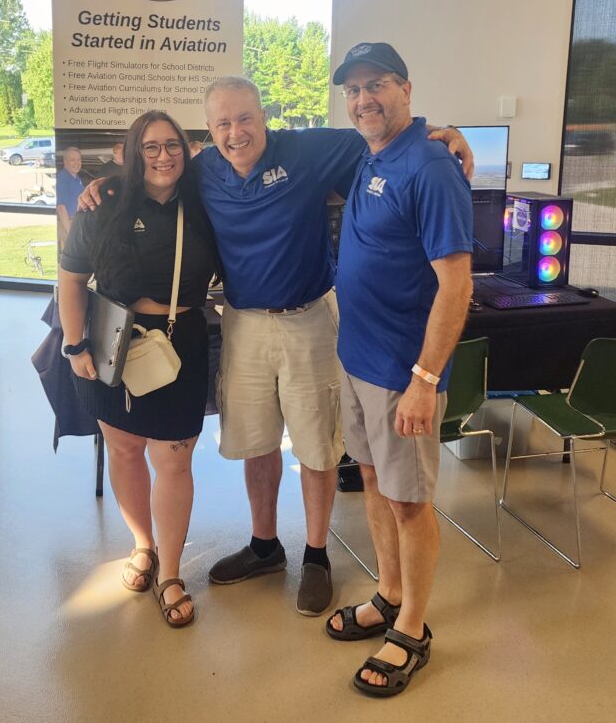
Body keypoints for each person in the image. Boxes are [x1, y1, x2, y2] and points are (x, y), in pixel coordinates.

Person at [80, 78, 474, 619]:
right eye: (222, 124)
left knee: (314, 445)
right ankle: (264, 545)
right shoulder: (204, 168)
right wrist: (100, 185)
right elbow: (152, 172)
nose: (236, 133)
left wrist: (439, 133)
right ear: (210, 132)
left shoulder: (306, 149)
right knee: (258, 441)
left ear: (263, 116)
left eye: (245, 119)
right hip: (242, 322)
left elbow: (381, 133)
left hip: (308, 317)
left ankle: (315, 555)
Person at [326, 43, 474, 698]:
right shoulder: (373, 149)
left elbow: (457, 285)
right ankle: (389, 593)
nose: (363, 99)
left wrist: (423, 377)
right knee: (379, 486)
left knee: (410, 500)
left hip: (399, 372)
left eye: (376, 84)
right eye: (354, 89)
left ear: (406, 88)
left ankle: (411, 627)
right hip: (358, 359)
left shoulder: (432, 167)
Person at [57, 112, 219, 628]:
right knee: (125, 449)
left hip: (179, 344)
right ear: (132, 152)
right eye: (150, 147)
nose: (163, 155)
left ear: (188, 150)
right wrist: (75, 344)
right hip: (111, 342)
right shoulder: (102, 204)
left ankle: (170, 574)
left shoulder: (205, 200)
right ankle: (143, 546)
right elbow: (71, 278)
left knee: (173, 461)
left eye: (173, 145)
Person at [56, 146, 86, 248]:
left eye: (79, 160)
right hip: (68, 224)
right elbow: (61, 208)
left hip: (77, 224)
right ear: (65, 161)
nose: (77, 163)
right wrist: (70, 234)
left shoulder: (77, 178)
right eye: (73, 160)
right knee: (69, 261)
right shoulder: (62, 179)